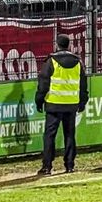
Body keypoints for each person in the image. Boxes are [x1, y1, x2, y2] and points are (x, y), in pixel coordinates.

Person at [35, 34, 88, 175]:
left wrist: (39, 100)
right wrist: (83, 101)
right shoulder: (78, 62)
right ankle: (69, 165)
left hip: (53, 104)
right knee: (70, 134)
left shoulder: (51, 61)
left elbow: (43, 83)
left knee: (49, 136)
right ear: (68, 45)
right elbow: (83, 84)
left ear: (57, 44)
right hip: (71, 104)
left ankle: (47, 166)